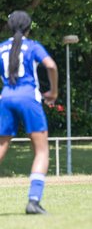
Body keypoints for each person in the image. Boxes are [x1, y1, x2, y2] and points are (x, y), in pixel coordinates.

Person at [0, 11, 58, 214]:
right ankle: (33, 201)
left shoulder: (1, 48)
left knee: (1, 148)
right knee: (41, 151)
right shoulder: (32, 46)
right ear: (28, 27)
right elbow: (50, 65)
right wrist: (54, 91)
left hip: (5, 98)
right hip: (28, 98)